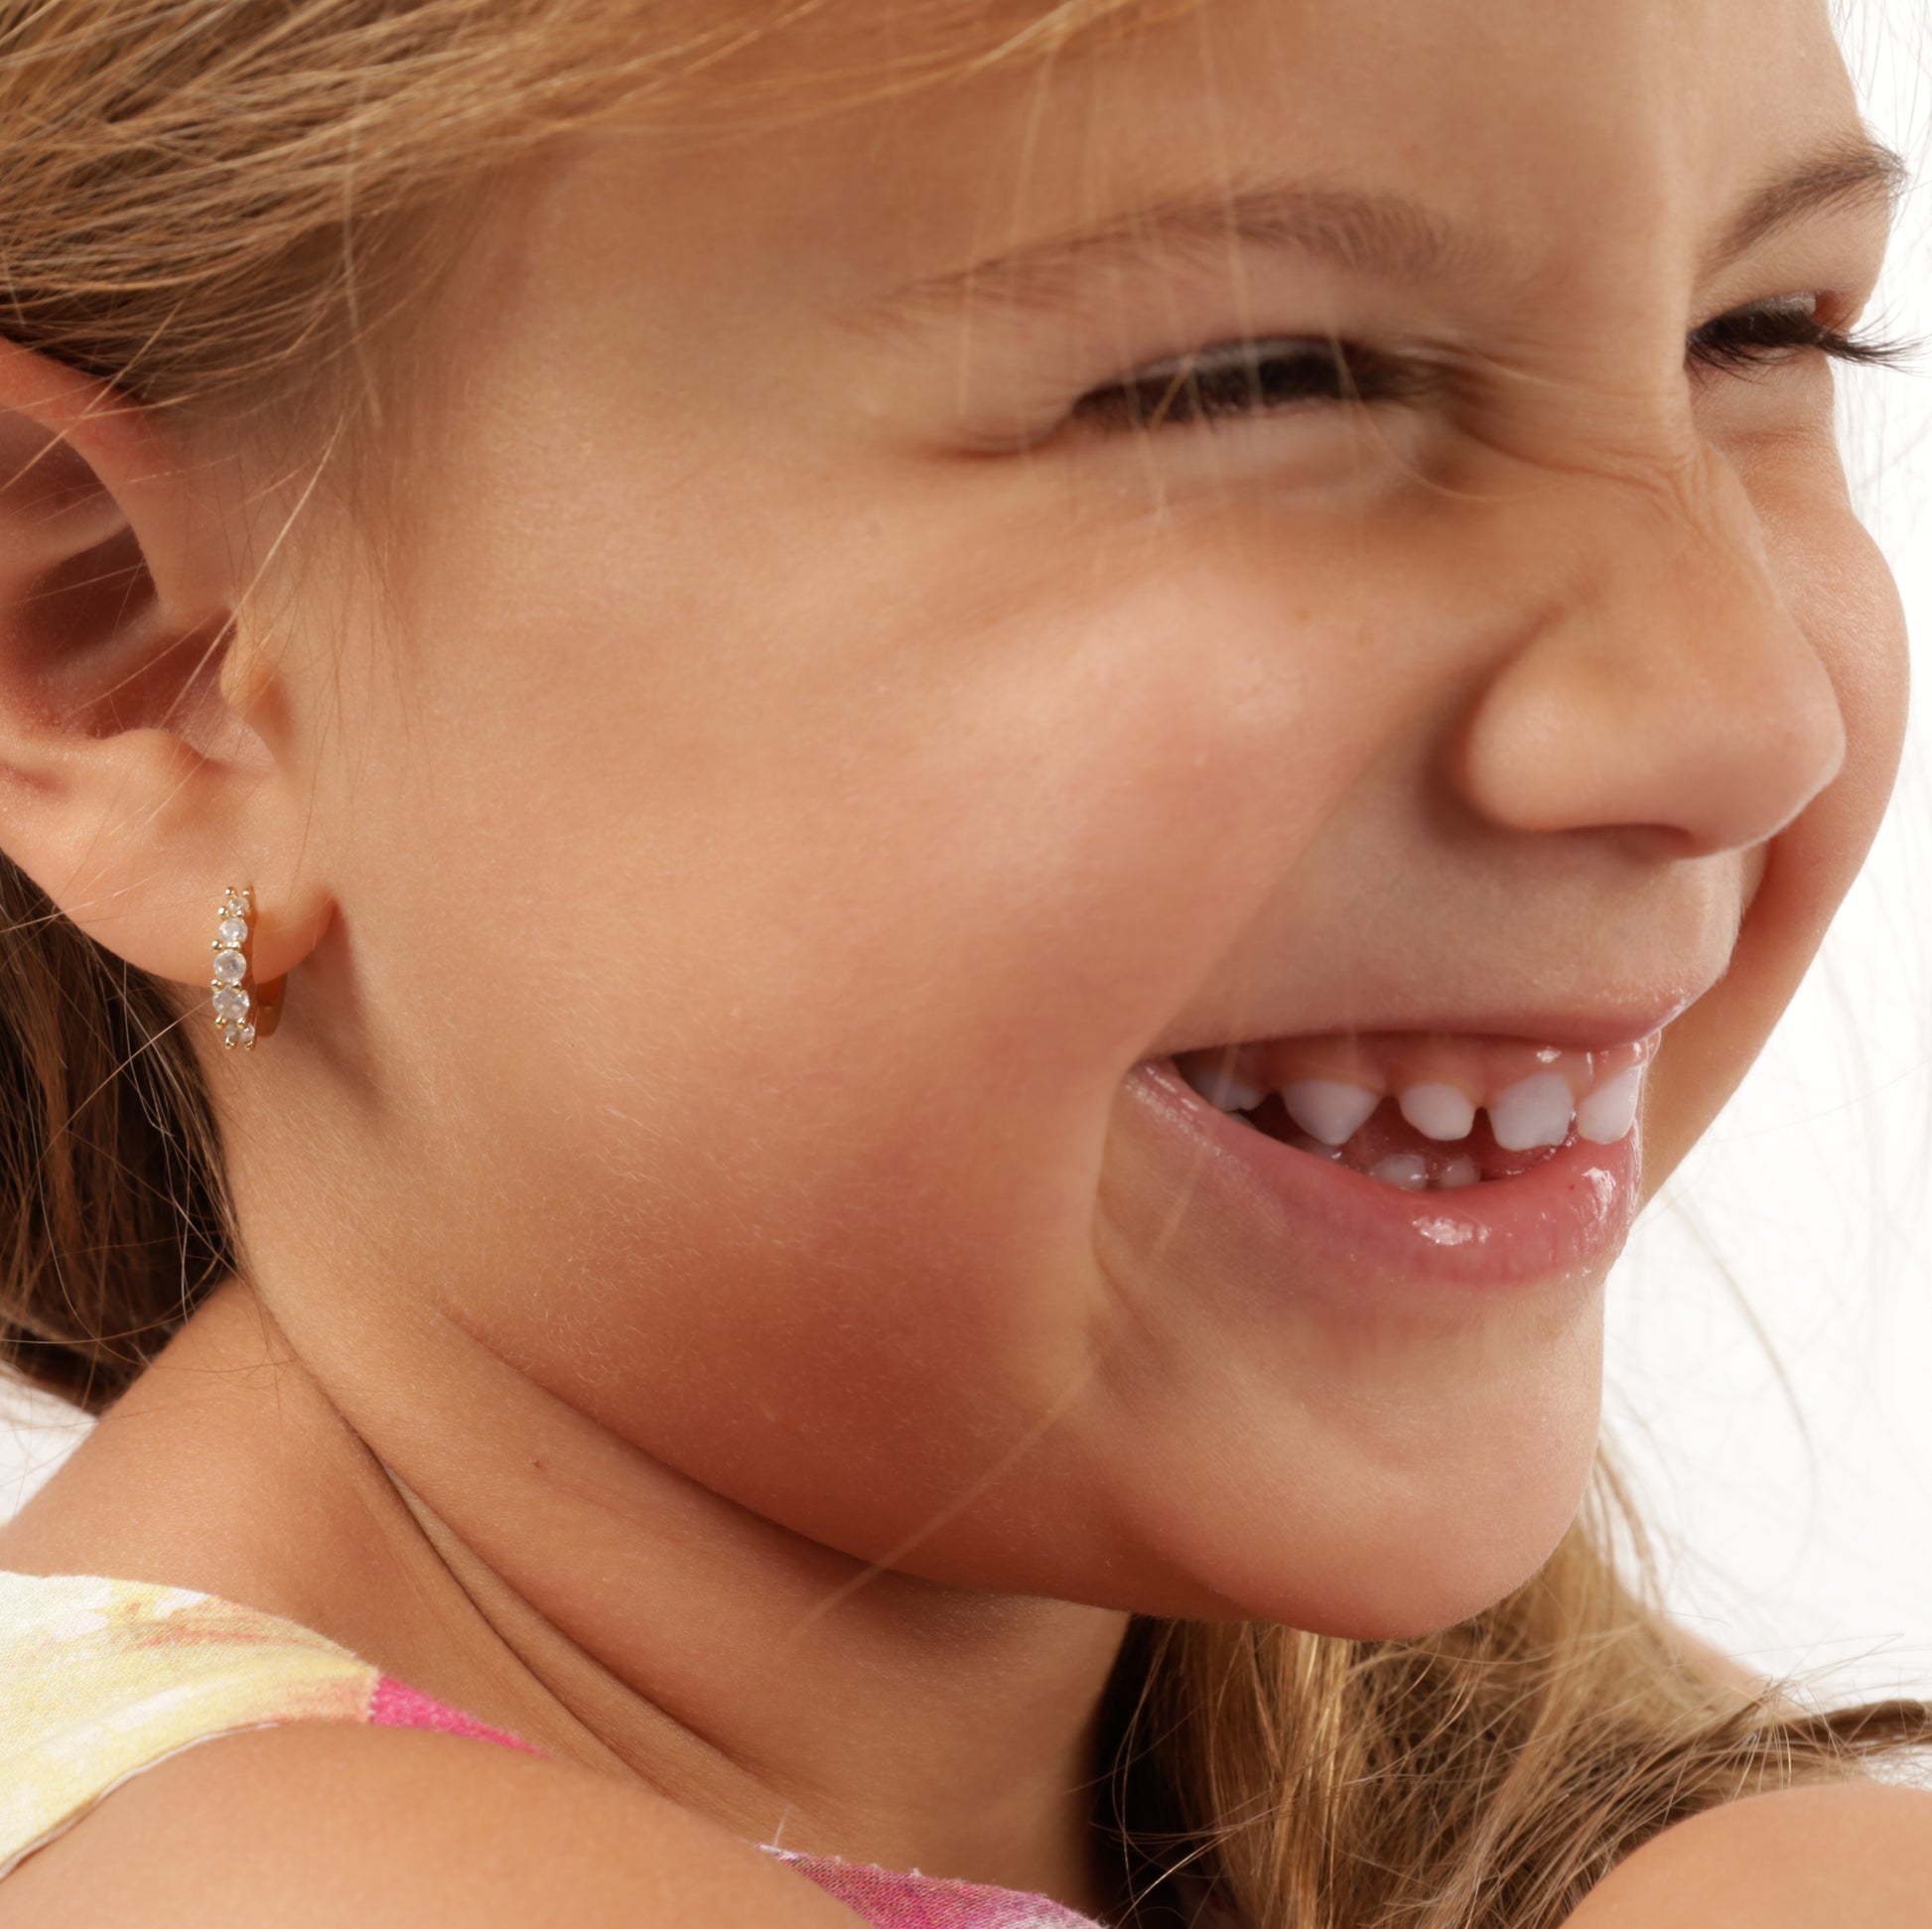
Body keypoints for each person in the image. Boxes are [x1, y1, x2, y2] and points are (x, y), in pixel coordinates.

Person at [0, 0, 1925, 1921]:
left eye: (1761, 334)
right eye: (1257, 378)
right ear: (136, 664)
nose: (1739, 715)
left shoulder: (1518, 1789)